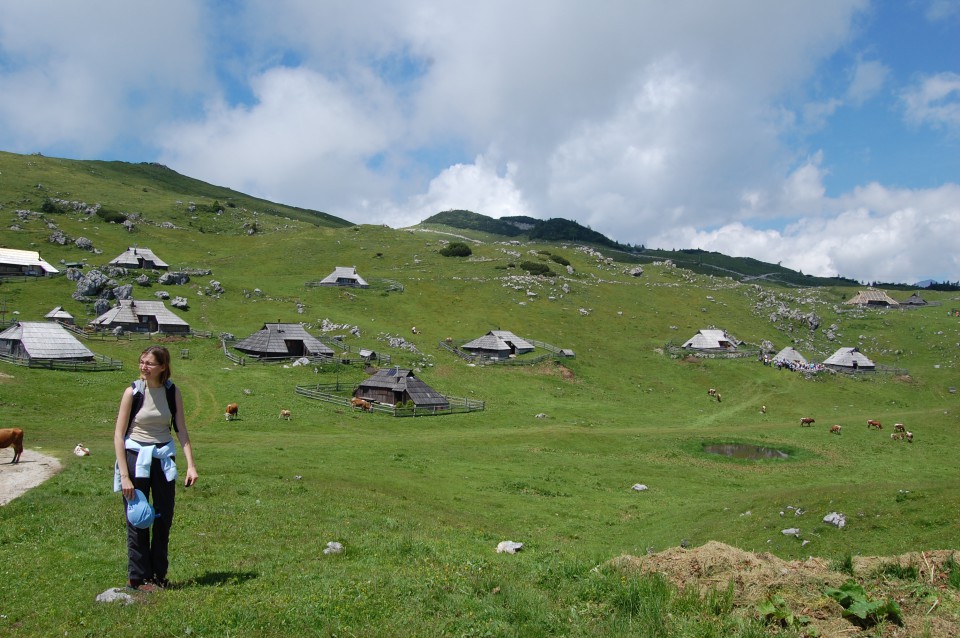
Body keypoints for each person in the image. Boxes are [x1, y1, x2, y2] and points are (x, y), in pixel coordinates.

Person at [113, 345, 198, 592]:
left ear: (163, 366)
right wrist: (124, 476)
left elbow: (181, 429)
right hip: (134, 459)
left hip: (163, 459)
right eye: (141, 362)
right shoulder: (132, 392)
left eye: (149, 363)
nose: (144, 367)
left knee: (163, 518)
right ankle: (137, 579)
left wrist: (191, 465)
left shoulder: (172, 393)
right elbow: (119, 436)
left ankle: (158, 576)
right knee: (139, 518)